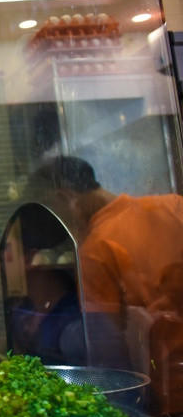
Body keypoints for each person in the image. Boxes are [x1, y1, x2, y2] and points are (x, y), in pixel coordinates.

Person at [31, 155, 183, 370]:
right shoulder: (173, 206)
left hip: (164, 388)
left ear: (65, 198)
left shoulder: (95, 251)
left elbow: (108, 357)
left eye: (55, 216)